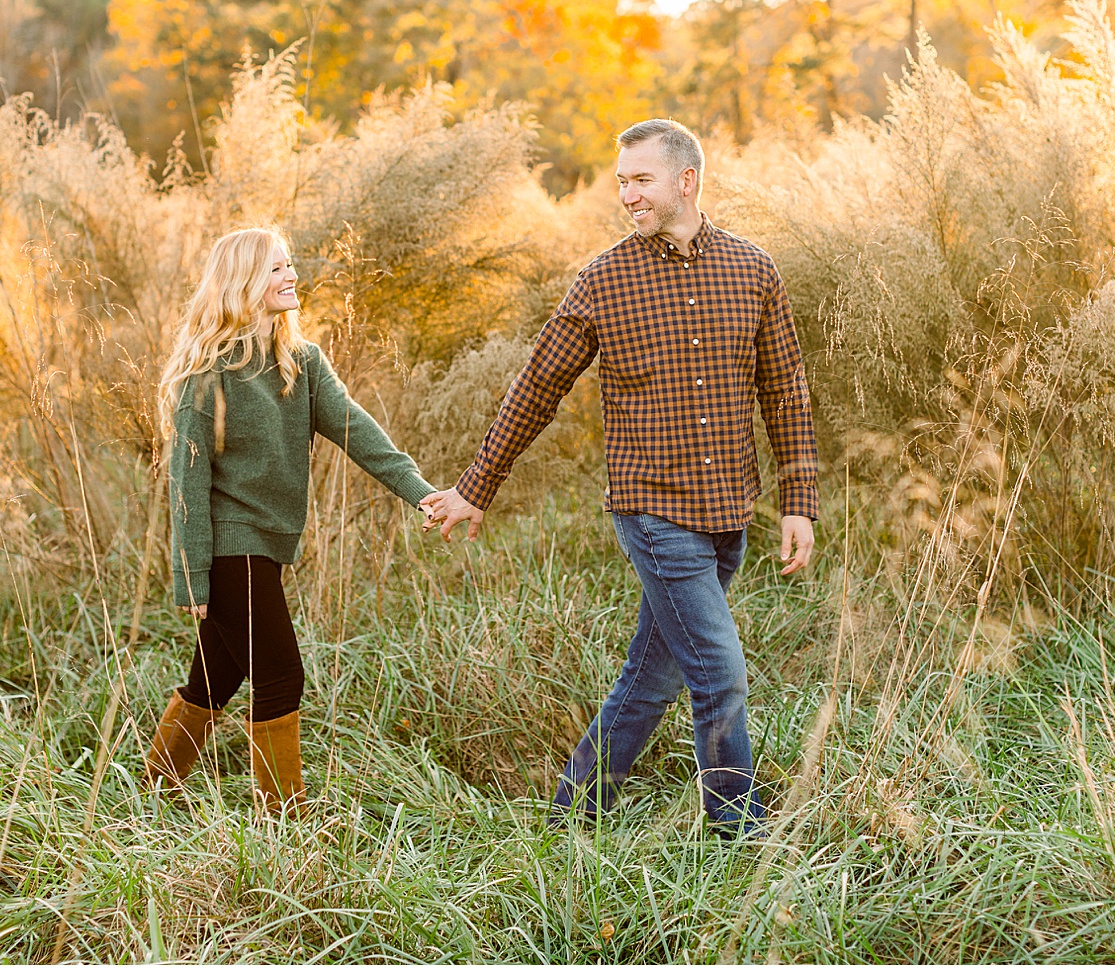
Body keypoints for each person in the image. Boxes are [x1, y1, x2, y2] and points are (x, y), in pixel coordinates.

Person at [422, 119, 818, 836]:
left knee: (653, 676)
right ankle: (739, 836)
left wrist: (800, 500)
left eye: (641, 180)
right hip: (653, 512)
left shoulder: (753, 269)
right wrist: (475, 486)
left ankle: (573, 812)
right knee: (720, 673)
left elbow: (785, 389)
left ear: (686, 181)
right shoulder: (604, 280)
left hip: (728, 510)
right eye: (622, 182)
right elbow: (537, 385)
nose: (628, 194)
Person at [144, 226, 437, 814]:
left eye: (288, 265)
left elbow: (358, 433)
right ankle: (286, 819)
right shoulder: (208, 374)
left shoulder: (301, 362)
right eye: (276, 269)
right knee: (280, 677)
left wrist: (423, 493)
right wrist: (193, 577)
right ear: (245, 283)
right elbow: (187, 486)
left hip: (267, 548)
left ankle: (155, 790)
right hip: (230, 550)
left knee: (215, 679)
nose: (290, 275)